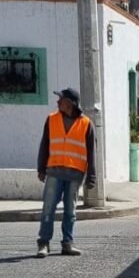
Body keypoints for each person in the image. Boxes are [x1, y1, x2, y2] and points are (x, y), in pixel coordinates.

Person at [36, 87, 96, 258]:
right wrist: (41, 168)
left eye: (60, 99)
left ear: (69, 103)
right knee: (48, 209)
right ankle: (43, 243)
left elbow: (92, 152)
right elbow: (45, 145)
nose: (57, 102)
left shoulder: (86, 124)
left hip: (74, 175)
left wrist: (91, 176)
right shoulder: (51, 119)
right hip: (54, 172)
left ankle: (67, 243)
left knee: (70, 211)